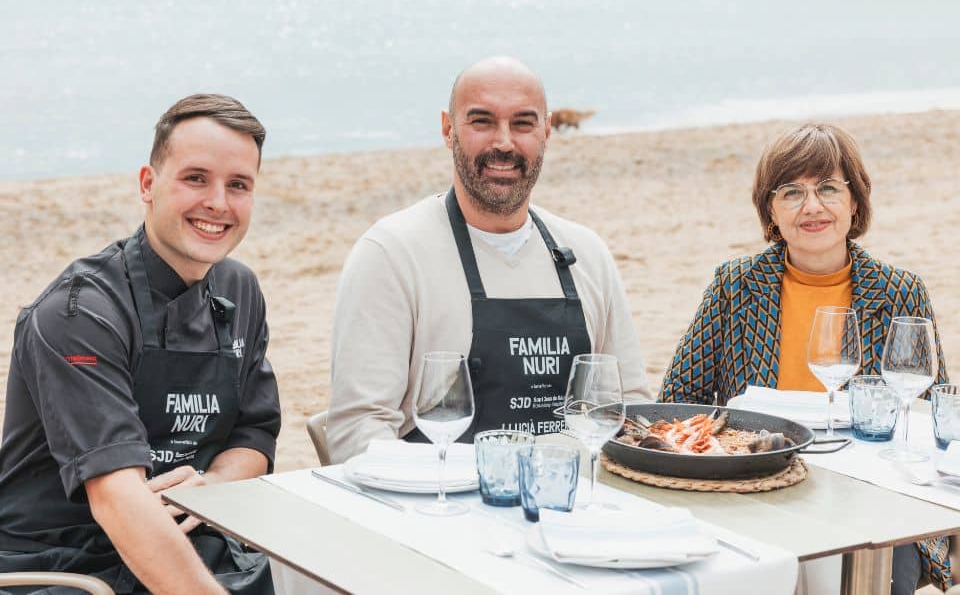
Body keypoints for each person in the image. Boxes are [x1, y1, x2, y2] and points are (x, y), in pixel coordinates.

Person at [0, 94, 281, 594]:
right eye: (196, 178)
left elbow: (254, 438)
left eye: (238, 185)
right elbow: (116, 497)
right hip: (61, 564)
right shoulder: (78, 314)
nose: (218, 202)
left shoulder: (240, 290)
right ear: (148, 185)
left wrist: (213, 485)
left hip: (189, 534)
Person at [659, 123, 950, 593]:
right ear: (770, 209)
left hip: (872, 497)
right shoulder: (734, 286)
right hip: (756, 491)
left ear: (855, 203)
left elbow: (935, 414)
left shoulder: (901, 290)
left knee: (887, 575)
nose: (812, 206)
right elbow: (677, 400)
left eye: (829, 188)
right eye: (791, 192)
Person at [327, 56, 651, 463]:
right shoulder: (392, 253)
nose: (503, 143)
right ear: (448, 130)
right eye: (481, 121)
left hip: (571, 510)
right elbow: (356, 431)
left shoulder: (587, 253)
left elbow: (629, 410)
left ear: (547, 131)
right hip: (439, 510)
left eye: (522, 123)